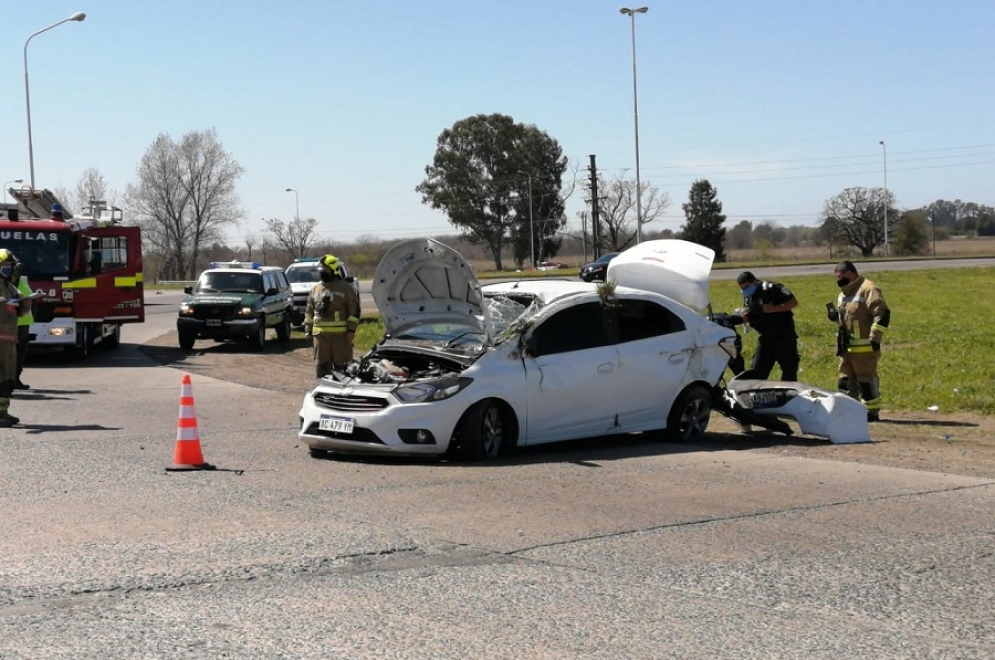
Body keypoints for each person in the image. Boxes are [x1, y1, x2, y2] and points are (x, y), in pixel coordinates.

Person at [827, 260, 891, 422]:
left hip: (864, 347)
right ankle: (848, 410)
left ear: (850, 274)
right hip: (846, 348)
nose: (838, 280)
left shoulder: (868, 289)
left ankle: (871, 412)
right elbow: (849, 318)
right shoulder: (843, 294)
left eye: (840, 277)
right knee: (845, 380)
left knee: (866, 379)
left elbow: (882, 313)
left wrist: (875, 338)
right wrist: (835, 318)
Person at [735, 271, 800, 381]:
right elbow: (752, 314)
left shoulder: (772, 288)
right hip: (765, 338)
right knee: (757, 371)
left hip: (784, 337)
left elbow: (793, 302)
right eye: (742, 288)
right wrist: (745, 317)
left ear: (755, 282)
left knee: (789, 370)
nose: (745, 290)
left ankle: (788, 396)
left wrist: (774, 308)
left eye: (747, 286)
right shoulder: (748, 297)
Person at [304, 254, 360, 379]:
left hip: (340, 338)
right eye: (320, 270)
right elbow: (309, 311)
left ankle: (344, 395)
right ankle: (324, 393)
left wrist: (351, 330)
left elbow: (354, 311)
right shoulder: (315, 289)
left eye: (325, 269)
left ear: (333, 270)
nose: (322, 272)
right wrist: (308, 329)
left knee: (343, 369)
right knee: (322, 368)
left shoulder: (345, 288)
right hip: (320, 338)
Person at [0, 249, 32, 426]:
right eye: (6, 266)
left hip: (9, 340)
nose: (10, 270)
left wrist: (25, 303)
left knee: (7, 379)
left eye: (11, 267)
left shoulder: (9, 285)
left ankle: (3, 412)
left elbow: (20, 310)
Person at [12, 256, 33, 390]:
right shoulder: (4, 283)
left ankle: (15, 379)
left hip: (23, 322)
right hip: (8, 322)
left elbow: (27, 294)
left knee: (19, 354)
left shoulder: (23, 280)